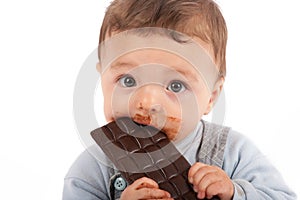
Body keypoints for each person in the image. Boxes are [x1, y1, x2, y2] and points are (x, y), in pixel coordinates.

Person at [63, 0, 296, 199]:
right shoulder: (93, 170)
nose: (147, 102)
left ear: (211, 97)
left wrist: (236, 192)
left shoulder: (232, 153)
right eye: (128, 81)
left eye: (175, 85)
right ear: (102, 77)